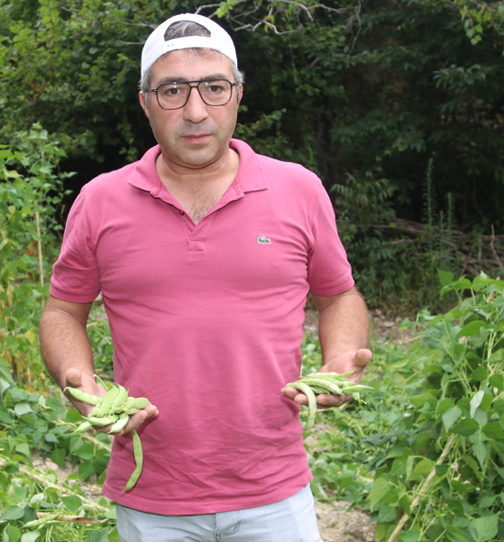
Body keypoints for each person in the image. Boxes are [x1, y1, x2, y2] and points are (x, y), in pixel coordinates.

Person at [39, 12, 371, 542]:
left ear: (238, 94)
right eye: (172, 90)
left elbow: (338, 296)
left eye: (213, 88)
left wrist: (340, 359)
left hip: (275, 491)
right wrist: (78, 379)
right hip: (153, 496)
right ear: (145, 101)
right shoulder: (100, 201)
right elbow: (63, 310)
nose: (195, 111)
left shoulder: (299, 190)